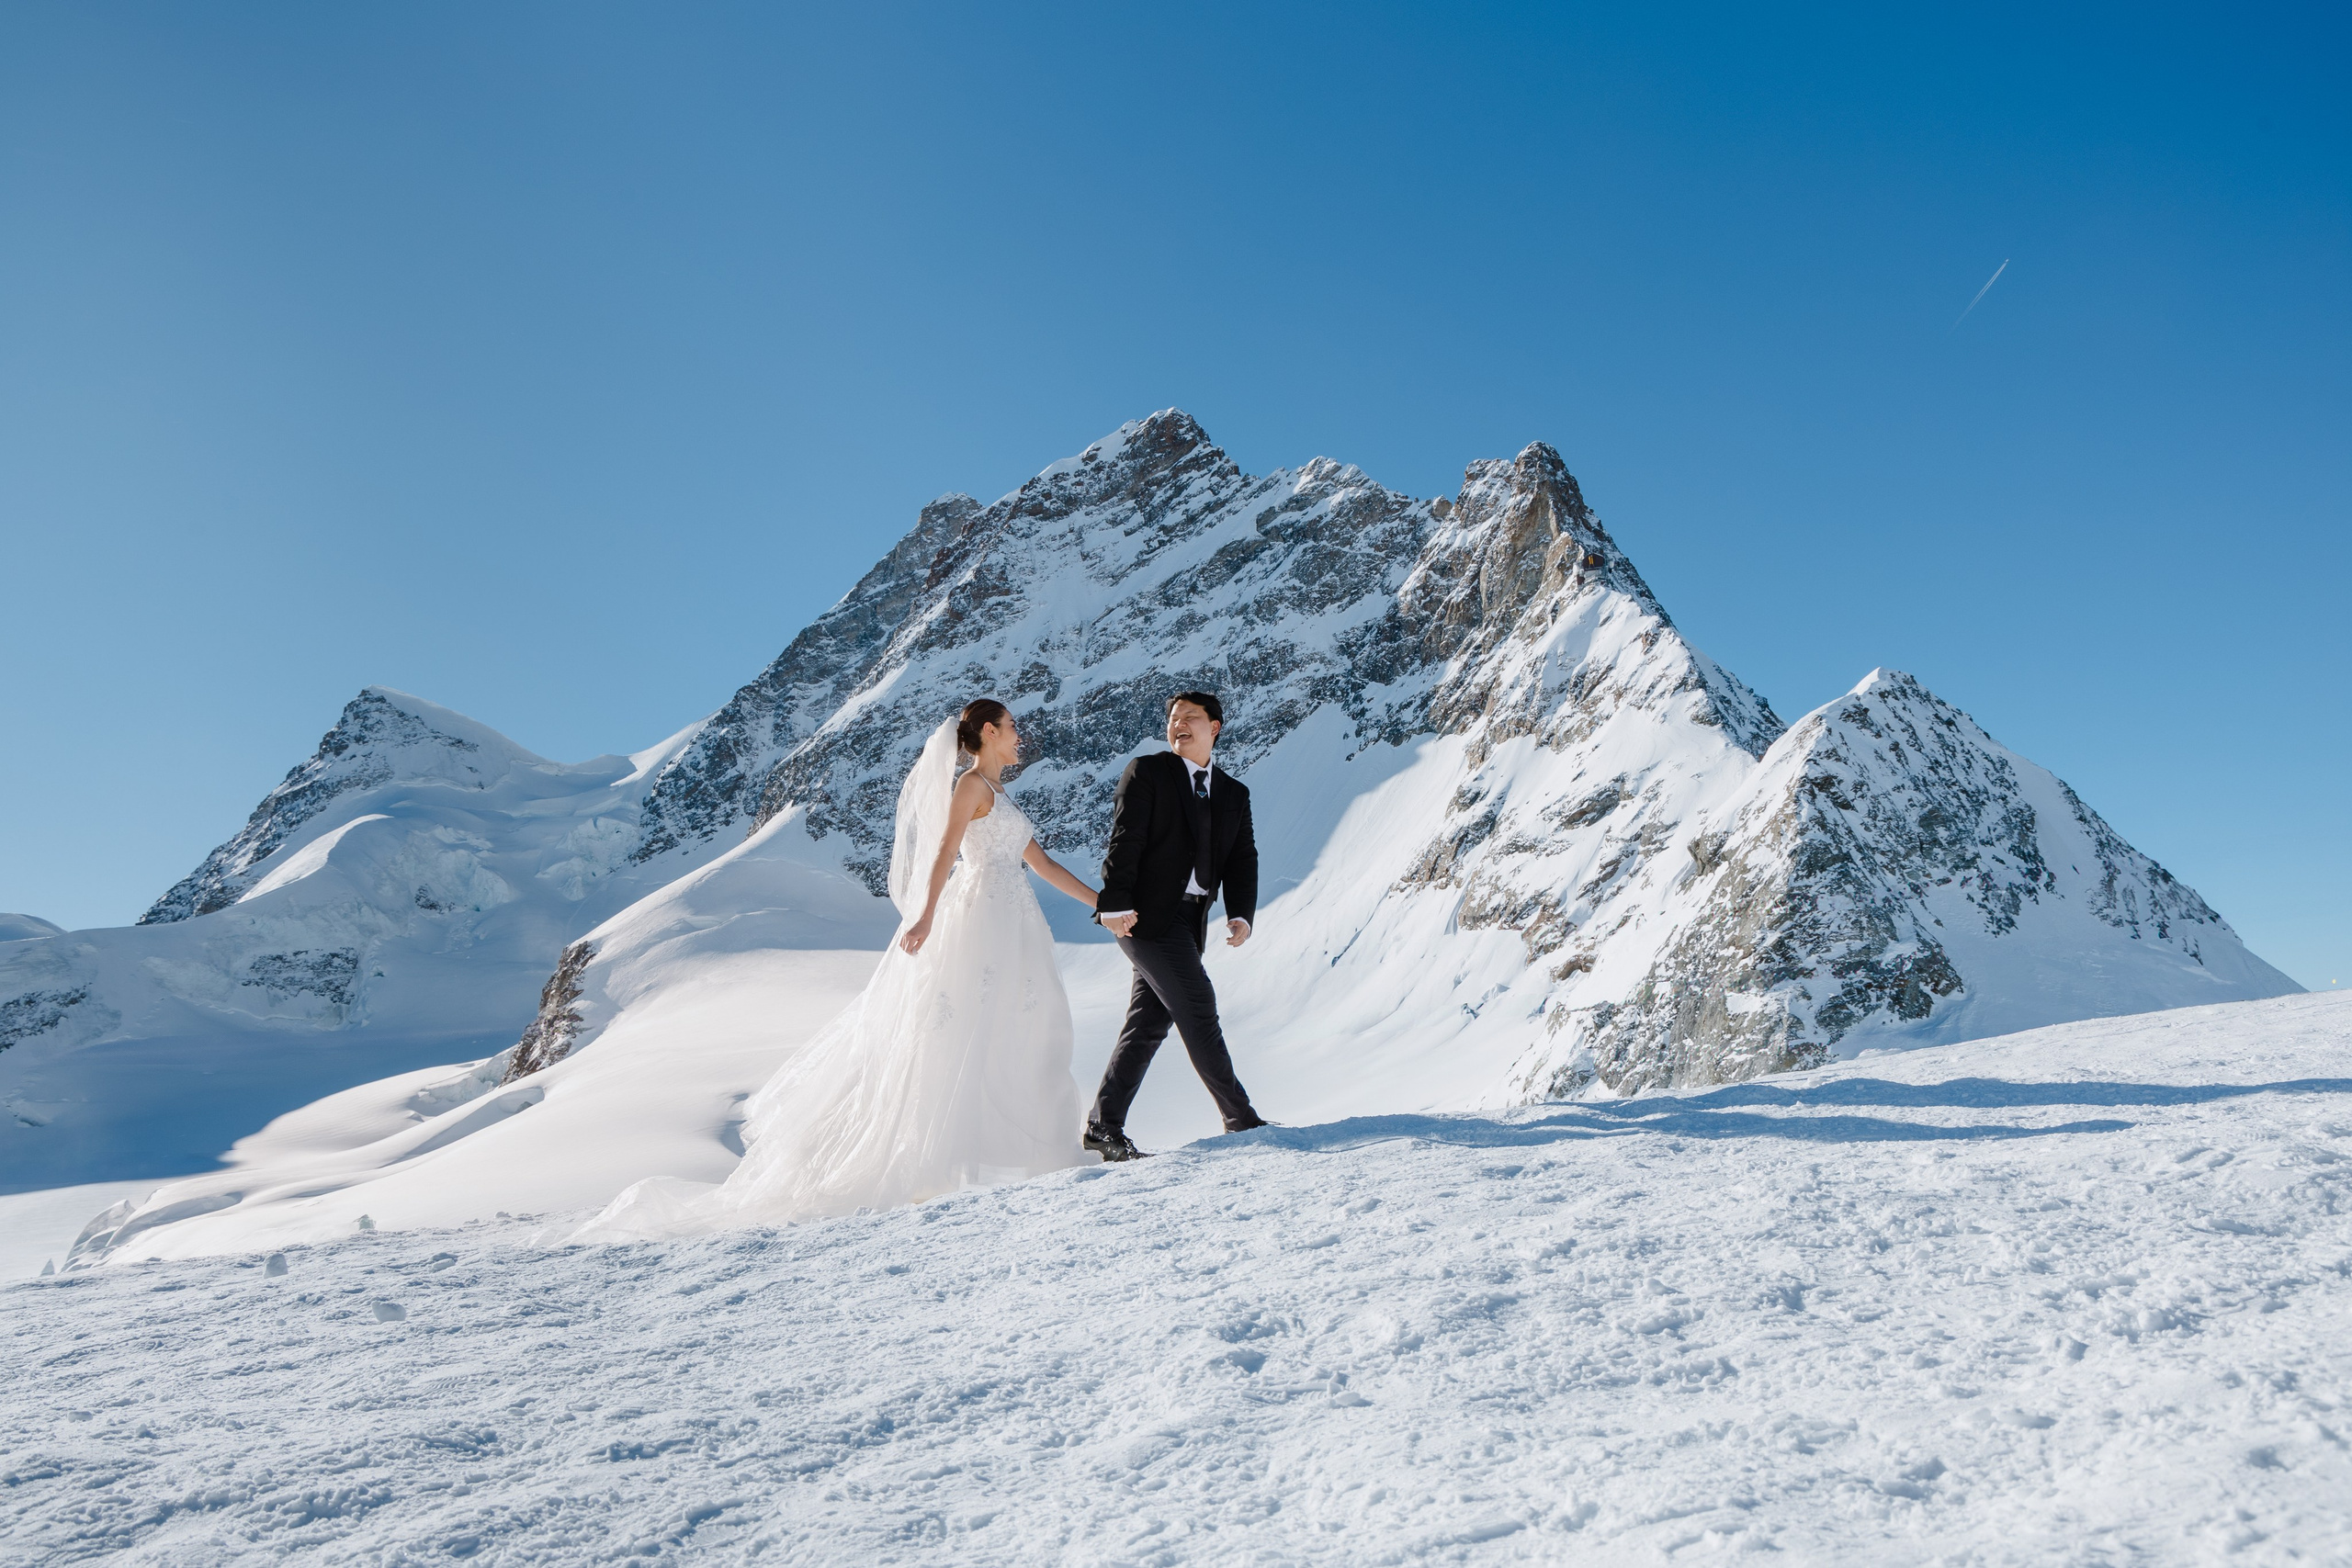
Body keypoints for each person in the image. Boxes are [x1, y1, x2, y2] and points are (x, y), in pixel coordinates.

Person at [582, 698, 1099, 1236]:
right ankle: (951, 1165)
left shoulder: (999, 793)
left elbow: (1042, 864)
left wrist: (1101, 905)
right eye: (1012, 728)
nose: (1020, 736)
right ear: (990, 732)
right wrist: (922, 919)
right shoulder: (970, 787)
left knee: (1020, 1030)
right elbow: (945, 854)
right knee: (968, 1032)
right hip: (982, 920)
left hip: (1014, 923)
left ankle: (1014, 1156)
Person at [1083, 691, 1269, 1162]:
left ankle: (1103, 1127)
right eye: (1173, 718)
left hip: (1190, 921)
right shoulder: (1148, 772)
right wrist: (1115, 904)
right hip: (1145, 918)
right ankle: (1239, 1118)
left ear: (1215, 727)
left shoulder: (1236, 794)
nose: (1179, 724)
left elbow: (1243, 858)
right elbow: (1125, 840)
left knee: (1147, 1025)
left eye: (1190, 717)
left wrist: (1241, 912)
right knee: (1199, 1006)